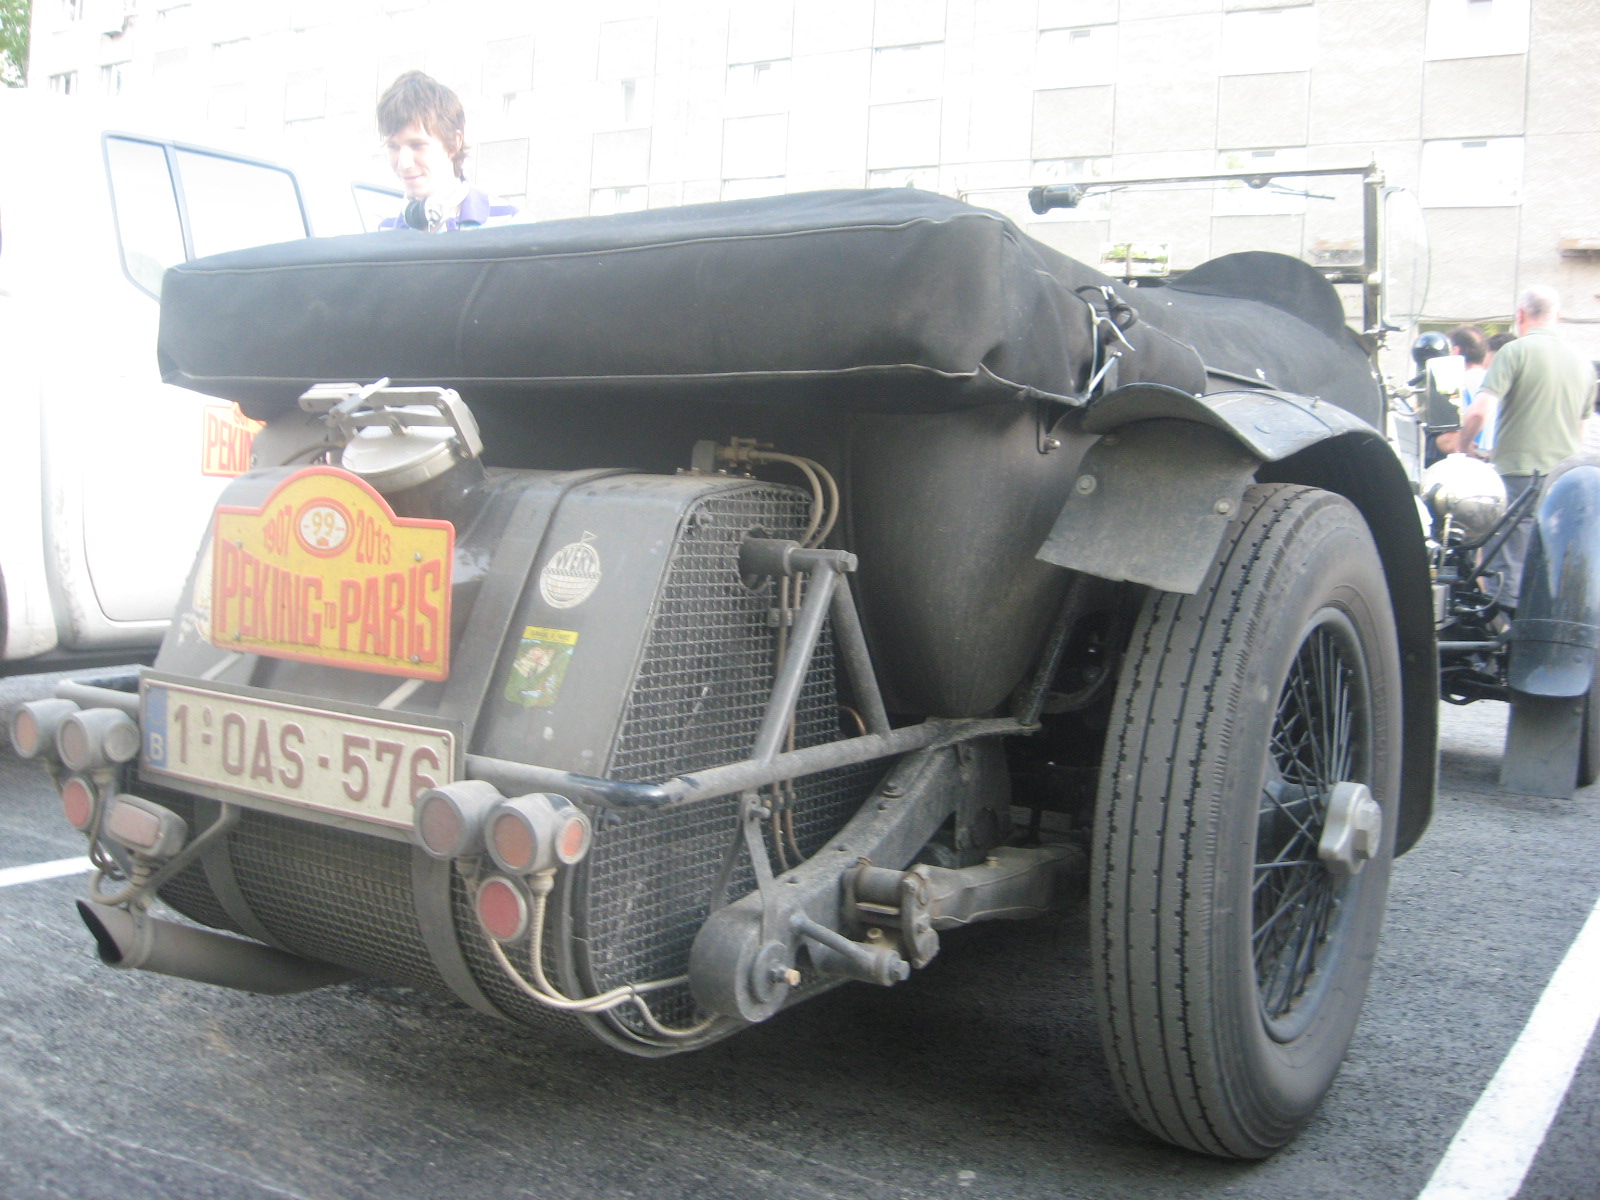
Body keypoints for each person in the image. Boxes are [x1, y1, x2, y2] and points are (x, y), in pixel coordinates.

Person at [1456, 286, 1598, 607]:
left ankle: (1505, 648)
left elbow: (1479, 410)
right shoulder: (1583, 364)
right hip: (1563, 483)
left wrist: (1464, 448)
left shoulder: (1515, 351)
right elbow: (1580, 433)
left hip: (1519, 476)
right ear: (1558, 317)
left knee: (1506, 574)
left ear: (1520, 316)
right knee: (1549, 565)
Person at [376, 70, 518, 232]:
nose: (403, 163)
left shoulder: (511, 223)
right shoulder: (383, 232)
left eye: (417, 145)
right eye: (393, 147)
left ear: (454, 143)